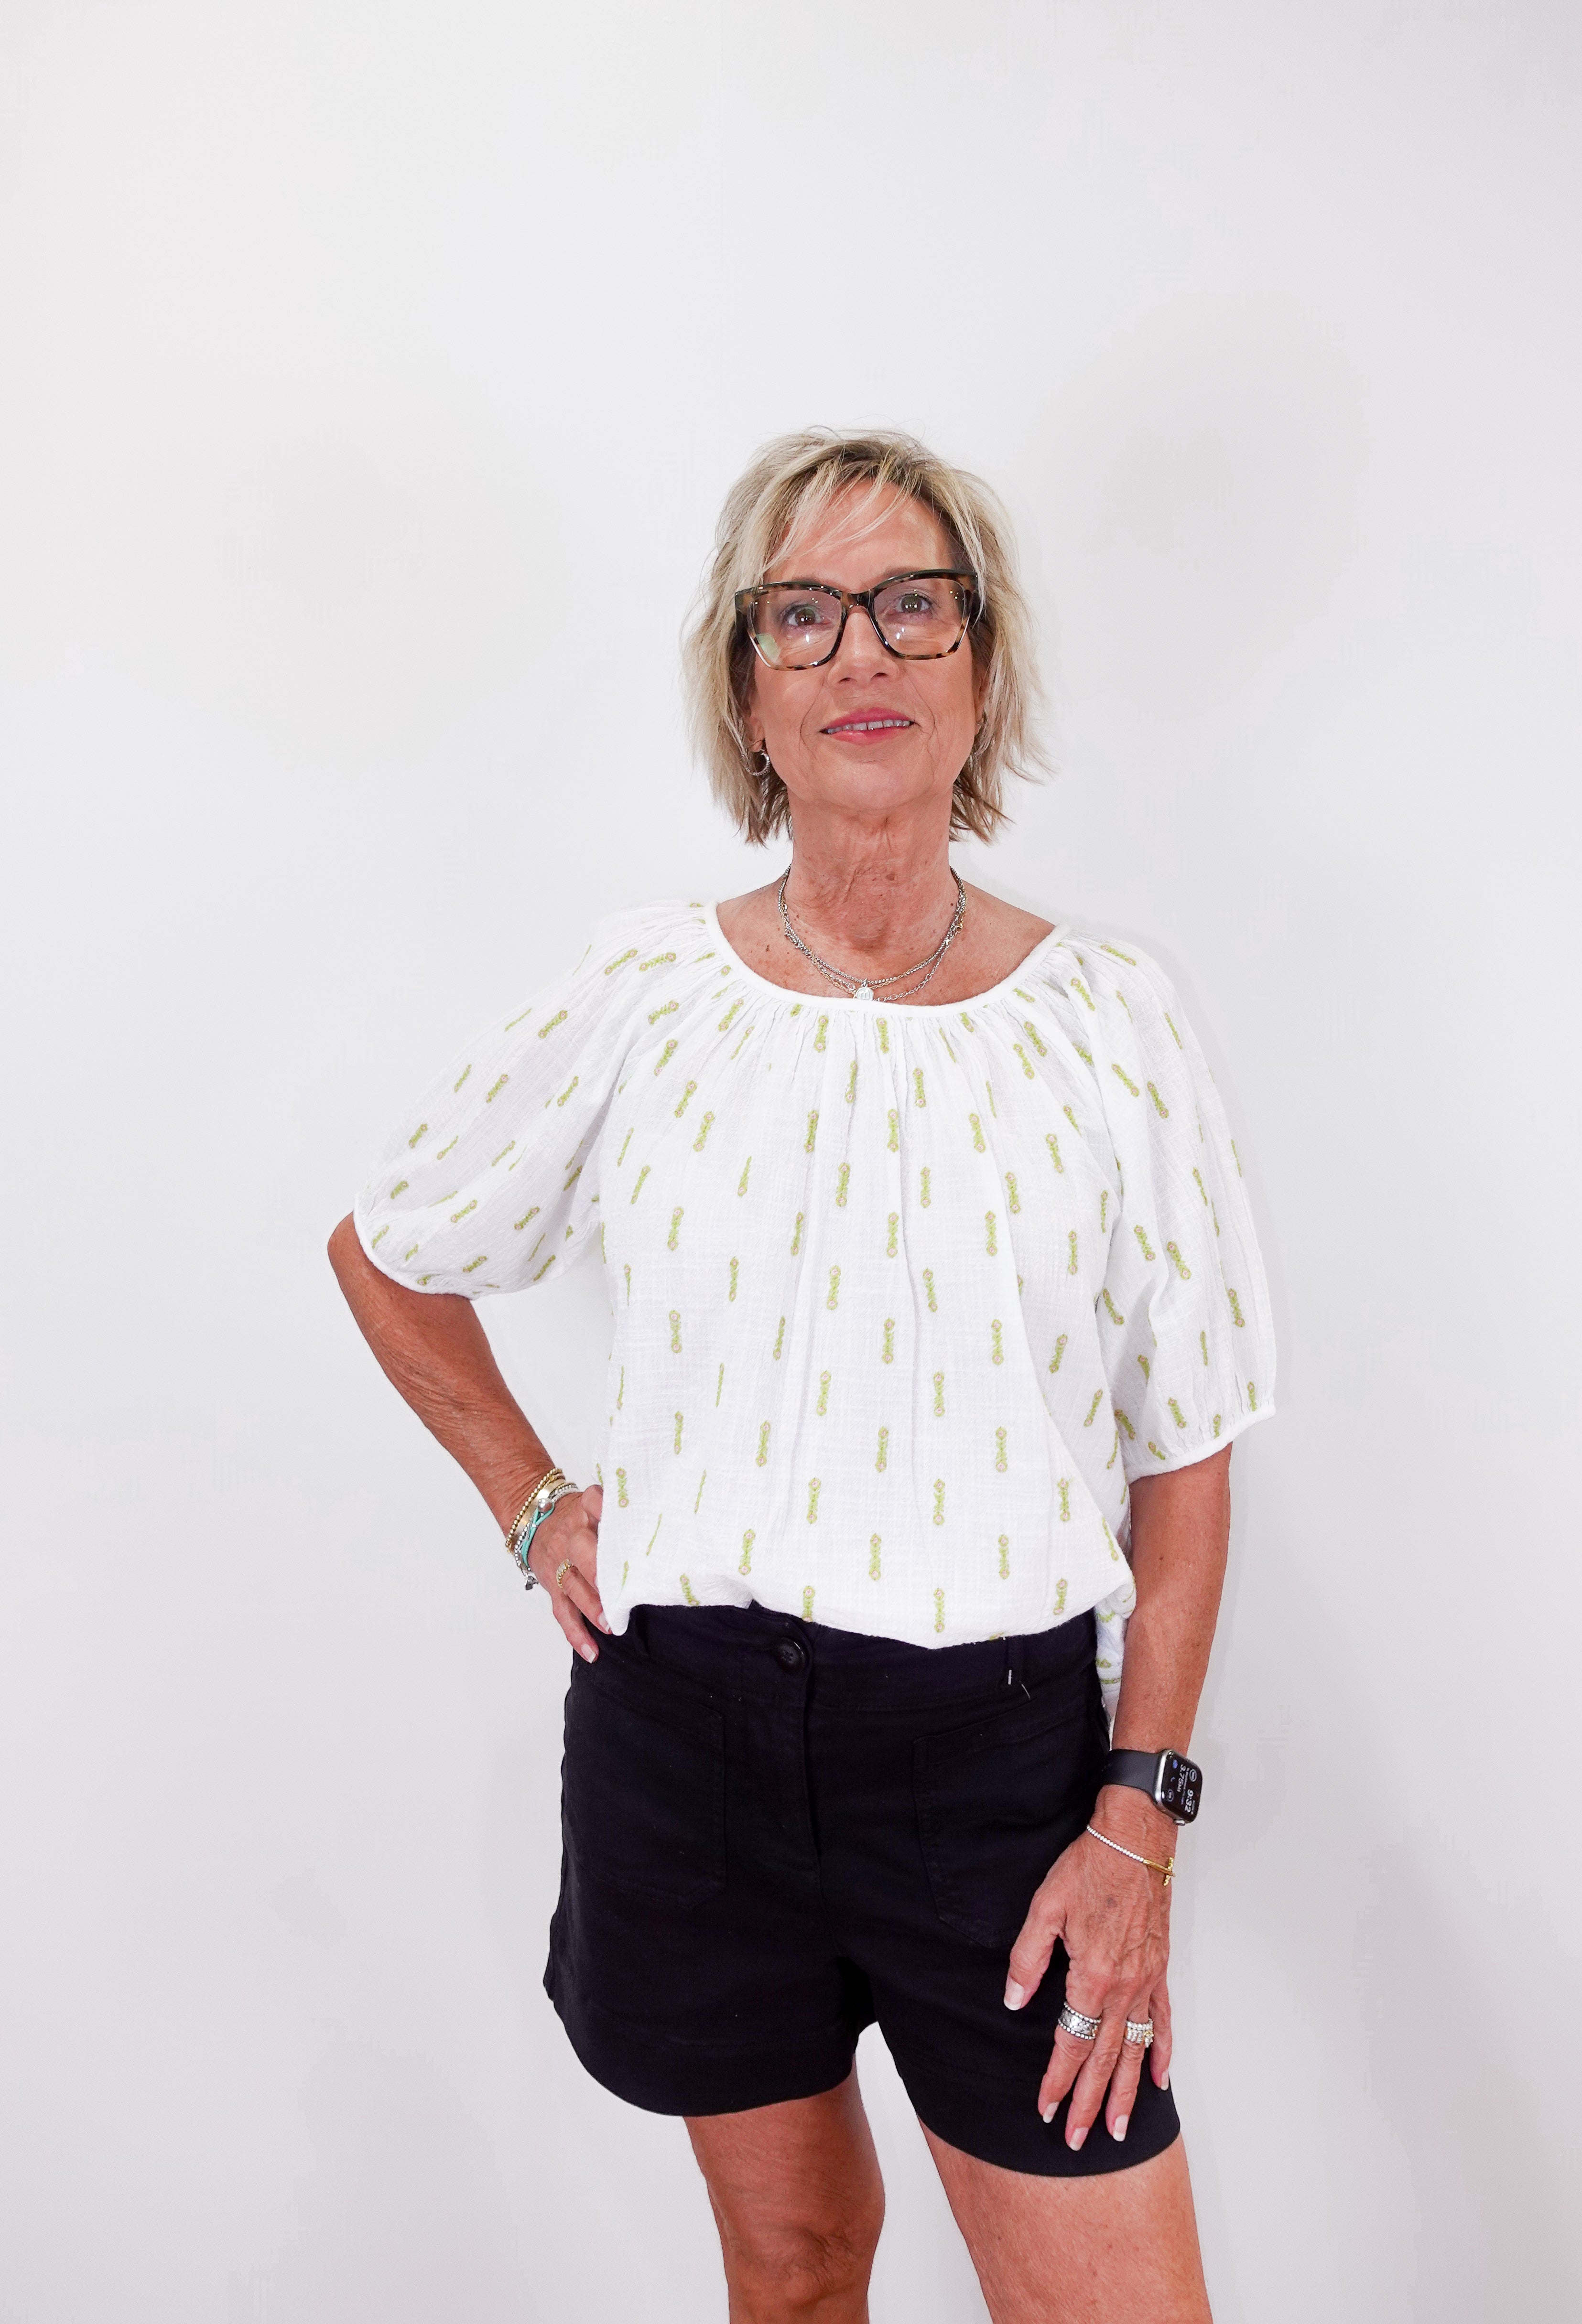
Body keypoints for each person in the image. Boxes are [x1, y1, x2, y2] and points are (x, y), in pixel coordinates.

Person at [329, 428, 1276, 2324]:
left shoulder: (1109, 1019)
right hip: (689, 1750)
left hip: (1002, 1782)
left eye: (913, 606)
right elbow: (391, 1247)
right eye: (807, 615)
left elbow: (1186, 1452)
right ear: (750, 694)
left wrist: (1137, 1820)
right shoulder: (643, 993)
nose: (864, 652)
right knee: (793, 2264)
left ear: (980, 671)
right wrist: (534, 1501)